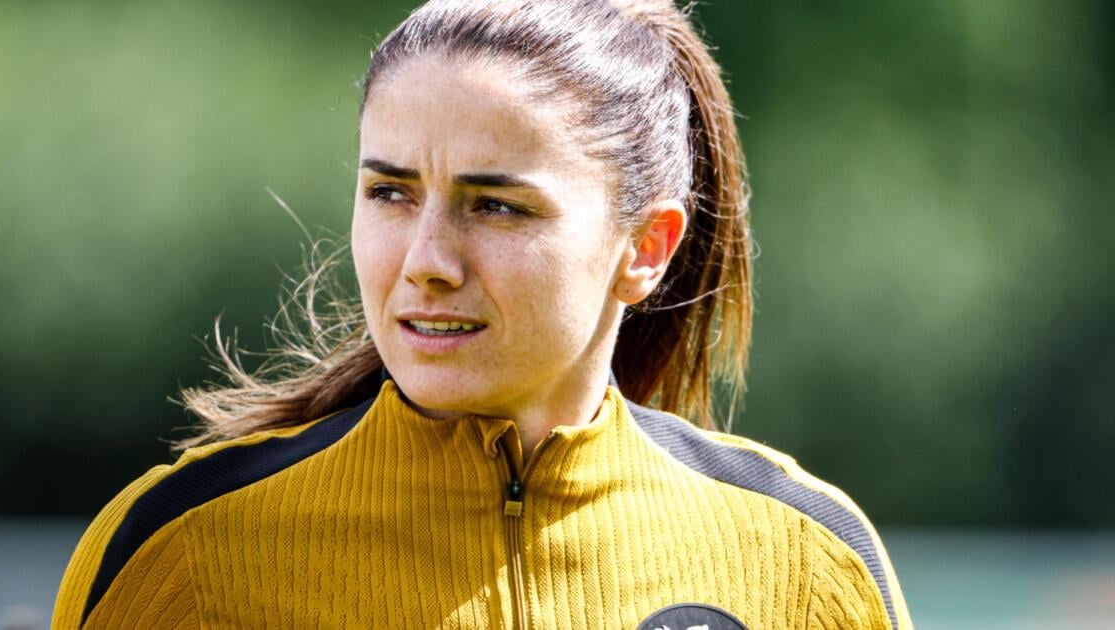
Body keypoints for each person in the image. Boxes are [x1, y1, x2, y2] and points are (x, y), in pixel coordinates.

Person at [52, 0, 913, 628]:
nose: (426, 260)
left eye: (497, 206)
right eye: (390, 192)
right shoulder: (182, 550)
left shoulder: (805, 558)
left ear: (646, 248)